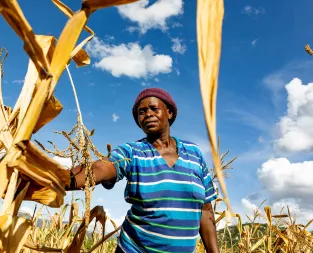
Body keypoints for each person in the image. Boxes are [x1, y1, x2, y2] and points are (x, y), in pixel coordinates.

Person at [65, 88, 220, 253]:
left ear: (169, 113)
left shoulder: (194, 153)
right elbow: (102, 167)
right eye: (142, 112)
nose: (148, 114)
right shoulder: (132, 152)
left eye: (154, 109)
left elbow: (206, 210)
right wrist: (54, 178)